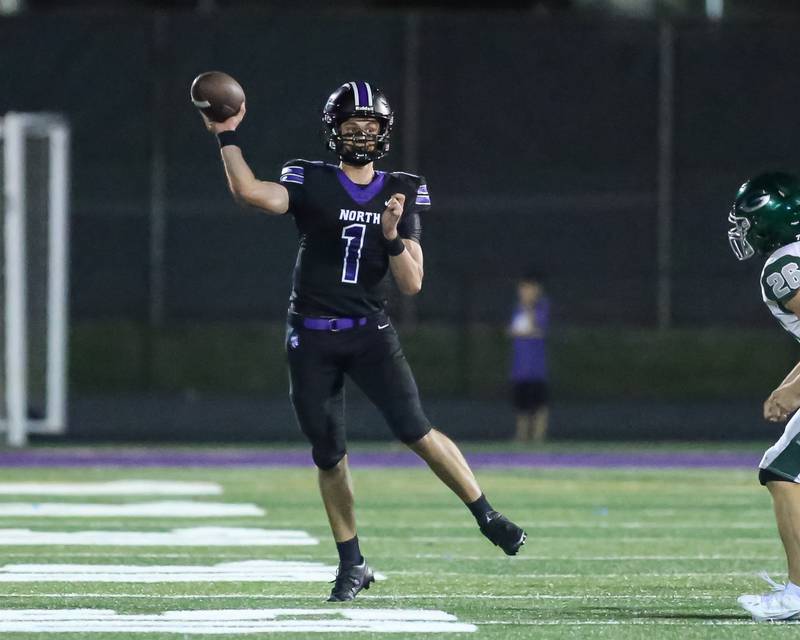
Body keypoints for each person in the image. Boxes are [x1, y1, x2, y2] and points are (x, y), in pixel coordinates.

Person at [199, 81, 526, 602]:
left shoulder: (400, 187)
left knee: (416, 430)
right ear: (334, 132)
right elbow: (249, 193)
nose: (360, 136)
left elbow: (412, 283)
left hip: (370, 333)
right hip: (311, 335)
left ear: (384, 133)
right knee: (329, 454)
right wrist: (225, 135)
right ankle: (352, 563)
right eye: (351, 127)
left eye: (369, 127)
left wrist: (392, 233)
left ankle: (487, 514)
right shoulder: (310, 178)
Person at [729, 172, 800, 622]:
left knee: (782, 470)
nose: (740, 230)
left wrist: (792, 392)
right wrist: (788, 386)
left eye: (745, 221)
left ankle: (797, 593)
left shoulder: (783, 266)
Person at [509, 273, 550, 442]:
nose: (524, 292)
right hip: (520, 368)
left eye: (527, 288)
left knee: (539, 405)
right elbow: (512, 331)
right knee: (521, 405)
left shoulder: (542, 307)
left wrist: (529, 307)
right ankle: (521, 436)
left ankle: (538, 437)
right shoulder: (517, 309)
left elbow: (537, 329)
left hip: (536, 368)